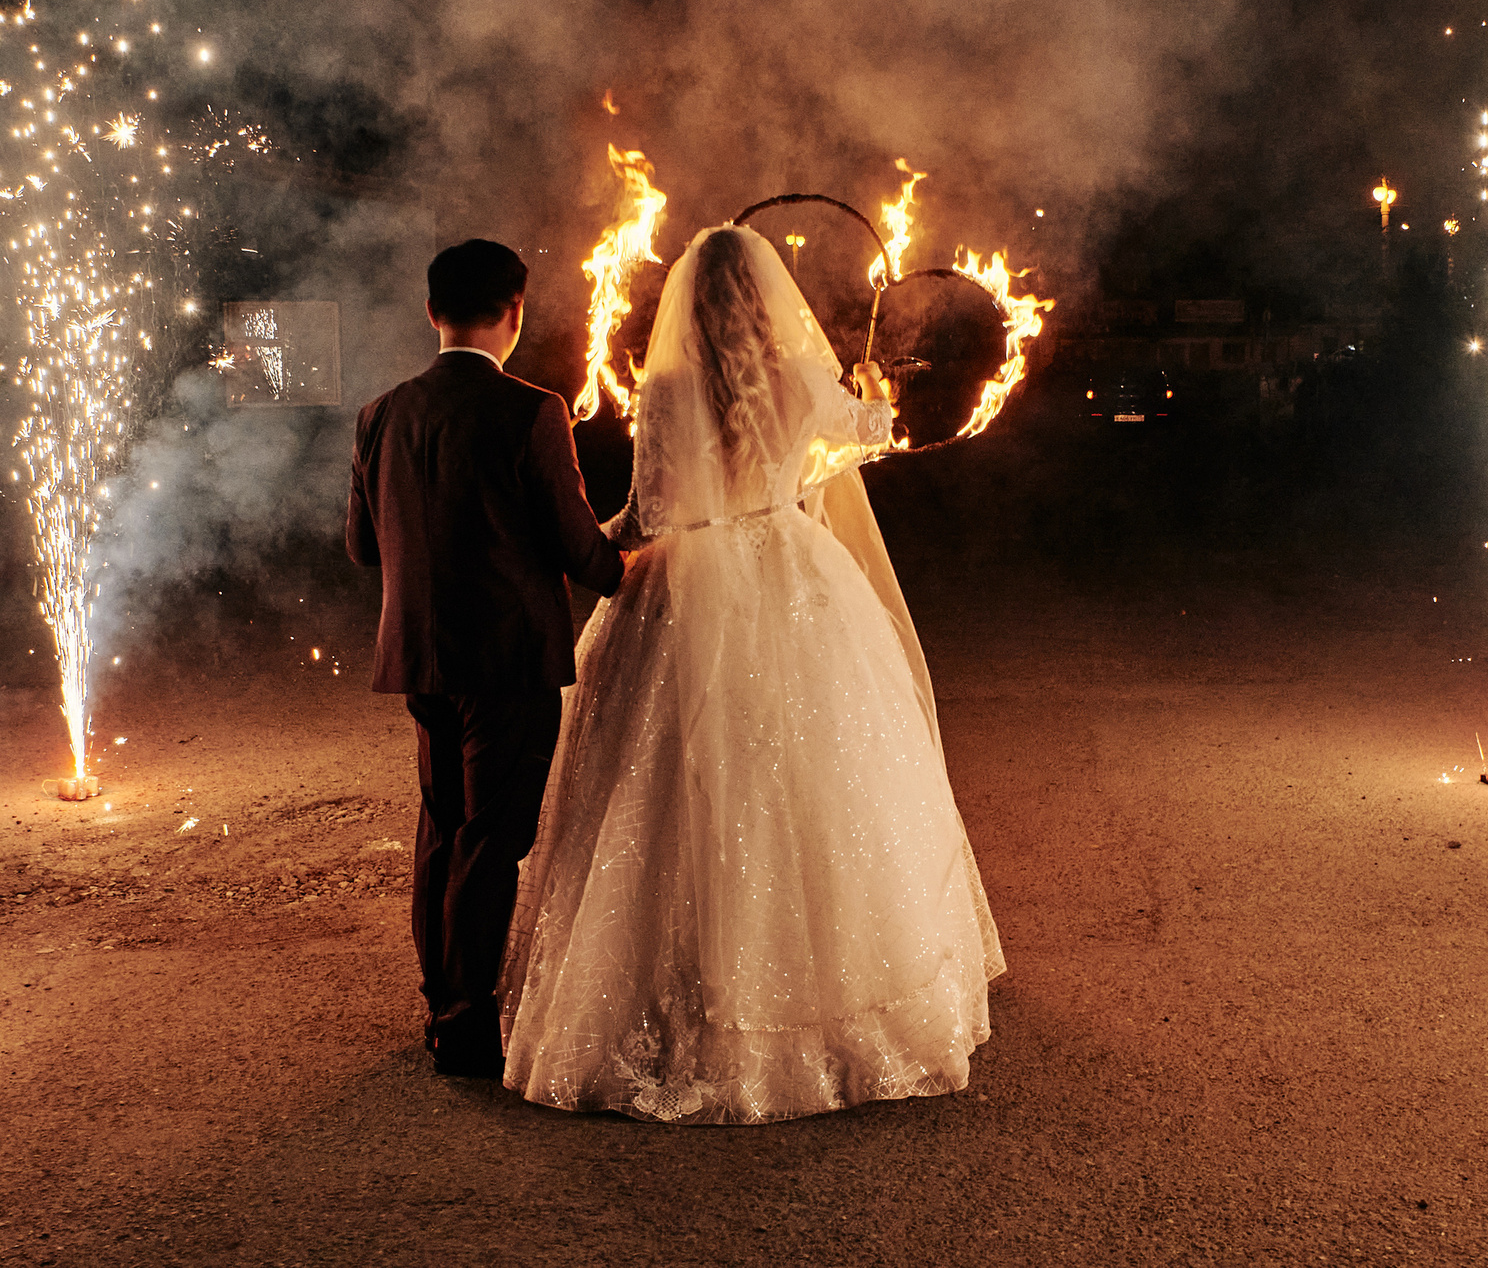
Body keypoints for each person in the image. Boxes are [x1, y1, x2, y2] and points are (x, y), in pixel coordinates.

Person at [500, 225, 1003, 1123]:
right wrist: (875, 387)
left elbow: (654, 503)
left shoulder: (665, 384)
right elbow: (870, 437)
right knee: (810, 776)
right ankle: (813, 997)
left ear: (689, 302)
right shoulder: (803, 376)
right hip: (790, 569)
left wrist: (603, 549)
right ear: (770, 297)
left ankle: (677, 997)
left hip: (685, 582)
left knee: (670, 786)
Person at [346, 238, 626, 1079]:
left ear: (432, 312)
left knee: (443, 823)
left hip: (422, 658)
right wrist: (630, 569)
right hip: (509, 658)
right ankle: (465, 1024)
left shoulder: (381, 411)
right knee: (491, 836)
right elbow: (579, 547)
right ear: (516, 313)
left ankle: (442, 995)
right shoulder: (534, 409)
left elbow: (363, 547)